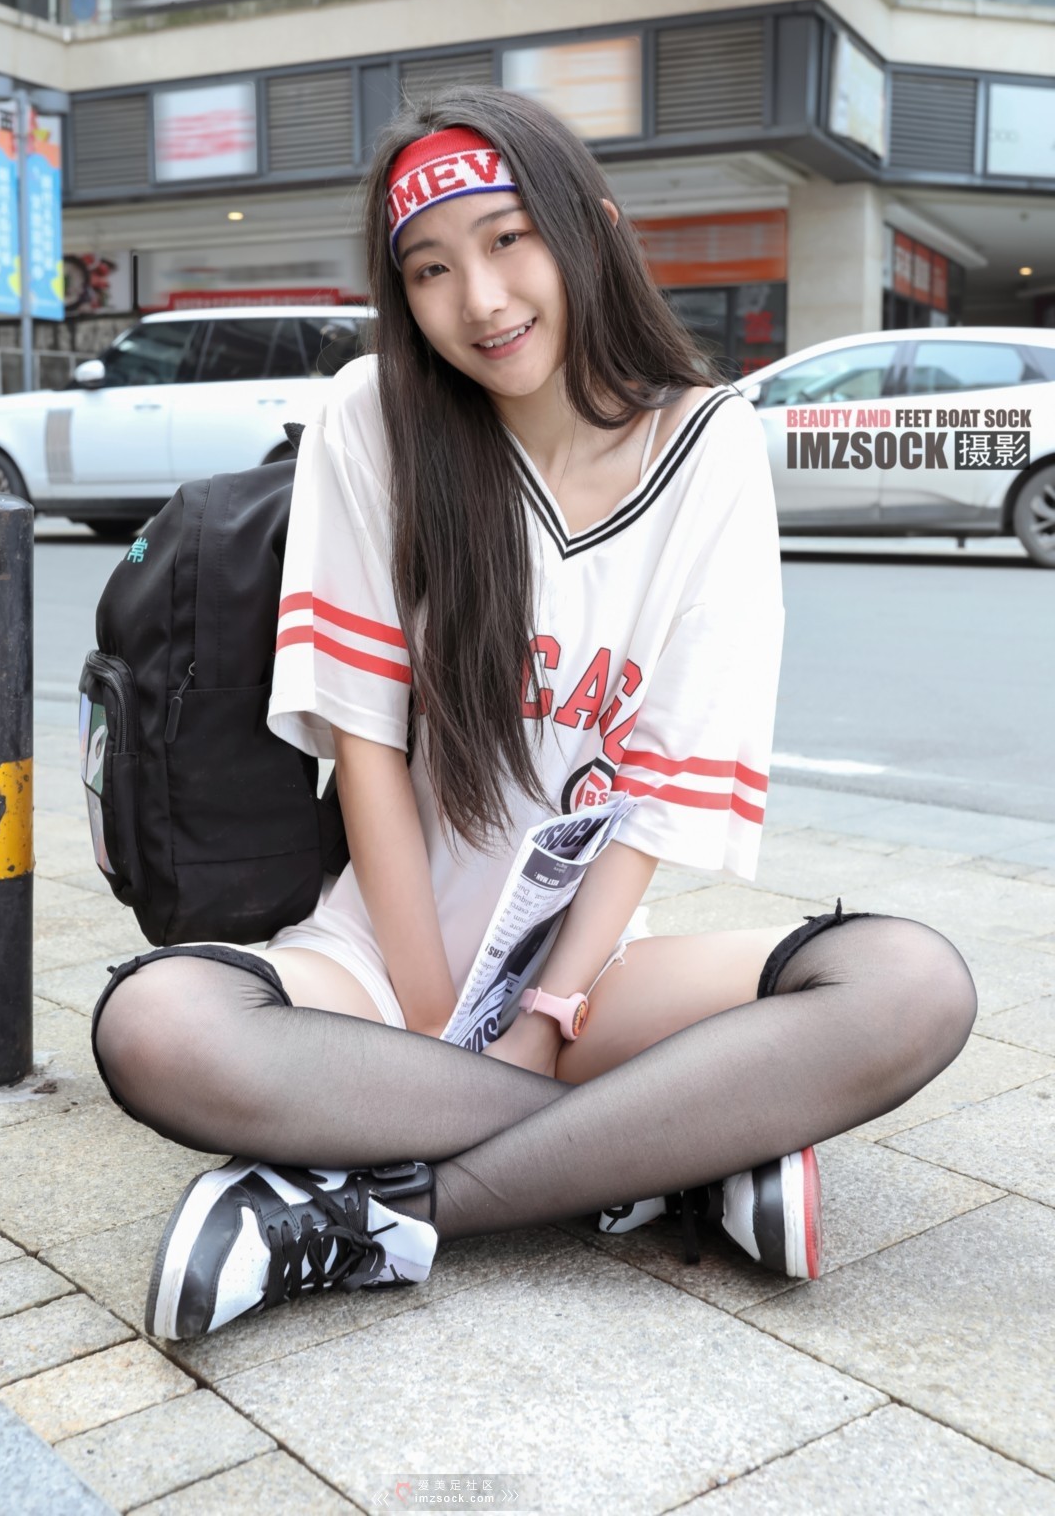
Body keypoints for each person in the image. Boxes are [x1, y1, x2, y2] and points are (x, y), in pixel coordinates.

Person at [91, 88, 977, 1343]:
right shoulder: (373, 418)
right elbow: (365, 746)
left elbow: (658, 783)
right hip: (377, 960)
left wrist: (551, 1019)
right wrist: (432, 1022)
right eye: (431, 269)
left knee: (908, 985)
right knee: (156, 1025)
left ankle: (369, 1213)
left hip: (595, 976)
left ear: (591, 232)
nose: (482, 300)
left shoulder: (710, 444)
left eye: (510, 240)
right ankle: (679, 1150)